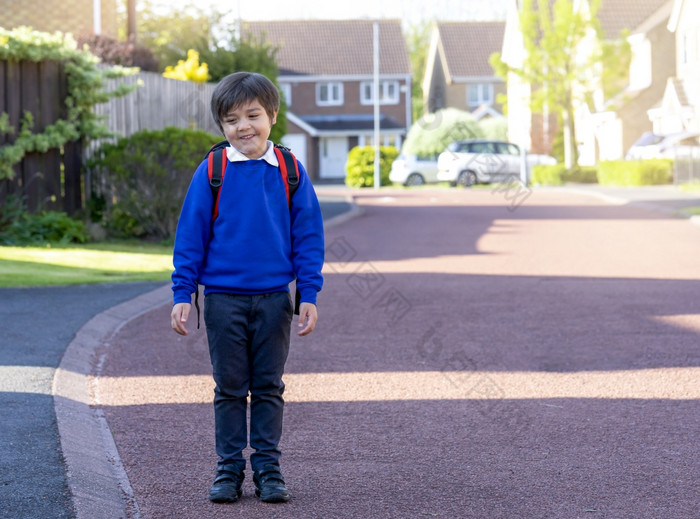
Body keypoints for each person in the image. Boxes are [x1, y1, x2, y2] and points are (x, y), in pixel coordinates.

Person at [170, 71, 324, 504]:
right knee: (231, 387)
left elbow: (309, 235)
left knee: (270, 386)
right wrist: (183, 294)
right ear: (222, 126)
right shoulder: (213, 170)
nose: (243, 127)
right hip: (221, 301)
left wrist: (307, 294)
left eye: (253, 115)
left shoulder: (290, 170)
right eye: (231, 119)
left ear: (271, 116)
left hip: (275, 299)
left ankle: (268, 468)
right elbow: (190, 236)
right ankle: (229, 468)